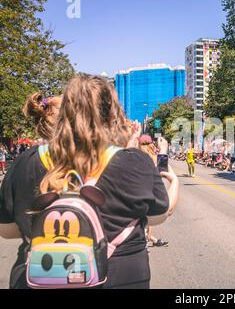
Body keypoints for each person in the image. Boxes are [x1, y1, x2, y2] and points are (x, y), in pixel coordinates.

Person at [0, 75, 179, 289]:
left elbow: (7, 230)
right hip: (120, 277)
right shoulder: (132, 160)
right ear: (112, 113)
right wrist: (174, 182)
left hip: (39, 278)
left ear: (64, 111)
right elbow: (158, 216)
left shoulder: (26, 161)